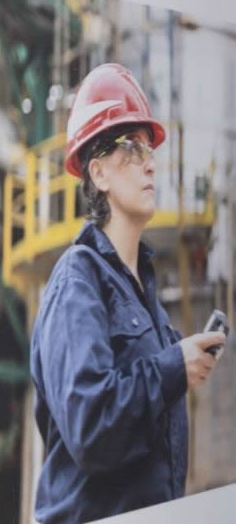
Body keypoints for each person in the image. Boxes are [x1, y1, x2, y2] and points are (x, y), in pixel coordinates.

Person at [30, 63, 225, 523]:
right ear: (98, 172)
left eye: (149, 149)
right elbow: (90, 428)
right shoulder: (78, 282)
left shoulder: (145, 297)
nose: (151, 161)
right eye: (132, 148)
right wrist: (172, 366)